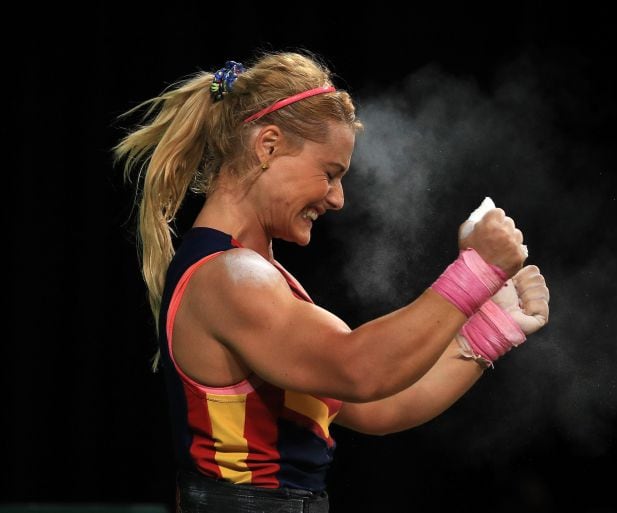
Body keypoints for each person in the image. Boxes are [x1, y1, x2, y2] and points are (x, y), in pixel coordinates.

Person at [114, 51, 550, 513]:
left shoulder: (256, 275)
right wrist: (476, 270)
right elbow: (359, 370)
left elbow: (377, 407)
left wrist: (493, 326)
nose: (338, 199)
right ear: (268, 146)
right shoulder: (231, 277)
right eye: (330, 174)